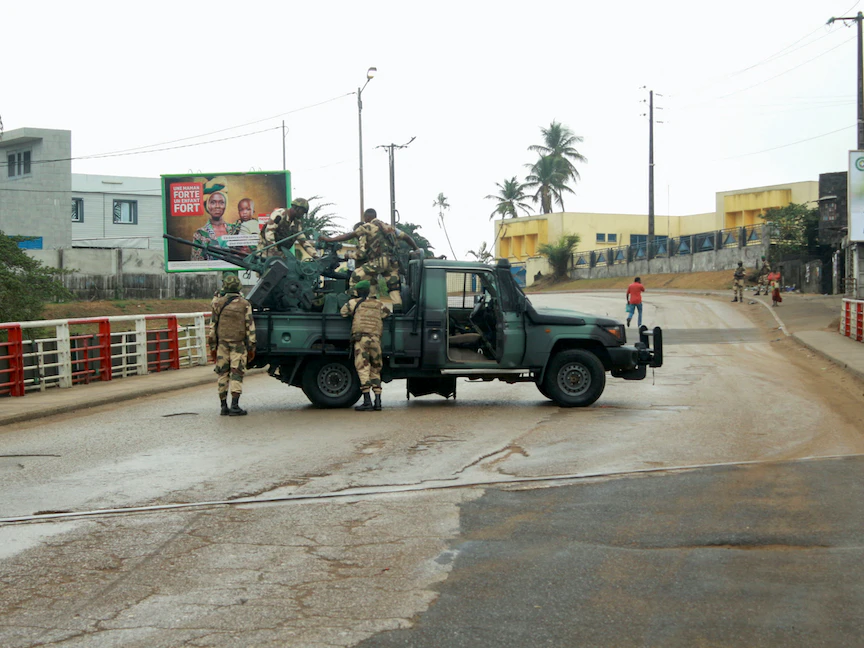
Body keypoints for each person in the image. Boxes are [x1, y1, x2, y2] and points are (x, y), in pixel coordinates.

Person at [321, 208, 419, 305]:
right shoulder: (389, 228)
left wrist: (329, 240)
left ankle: (353, 304)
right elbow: (407, 237)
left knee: (355, 276)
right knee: (393, 289)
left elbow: (349, 236)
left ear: (367, 217)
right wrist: (416, 249)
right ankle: (398, 314)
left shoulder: (368, 226)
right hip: (393, 263)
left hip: (379, 261)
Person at [208, 274, 256, 416]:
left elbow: (212, 328)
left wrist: (212, 348)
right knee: (237, 373)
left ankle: (223, 406)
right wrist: (252, 347)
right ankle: (235, 406)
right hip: (238, 345)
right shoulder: (245, 304)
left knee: (222, 374)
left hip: (222, 344)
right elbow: (250, 327)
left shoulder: (217, 303)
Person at [340, 279, 391, 411]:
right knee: (376, 369)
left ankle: (367, 401)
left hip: (361, 340)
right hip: (375, 340)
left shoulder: (354, 303)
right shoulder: (378, 304)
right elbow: (387, 313)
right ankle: (378, 401)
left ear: (357, 291)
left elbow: (343, 312)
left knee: (363, 368)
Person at [191, 178, 241, 261]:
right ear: (207, 206)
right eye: (213, 202)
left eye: (221, 202)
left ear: (225, 205)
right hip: (211, 274)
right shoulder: (200, 234)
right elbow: (196, 263)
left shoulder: (235, 229)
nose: (217, 206)